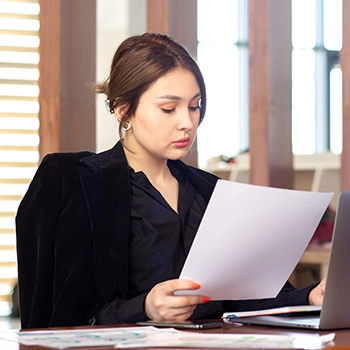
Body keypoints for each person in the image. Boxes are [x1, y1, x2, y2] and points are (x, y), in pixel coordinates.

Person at [15, 33, 326, 329]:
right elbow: (56, 315)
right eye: (168, 108)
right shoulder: (72, 181)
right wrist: (145, 307)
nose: (187, 122)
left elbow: (246, 296)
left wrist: (309, 297)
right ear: (125, 109)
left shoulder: (209, 190)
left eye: (195, 106)